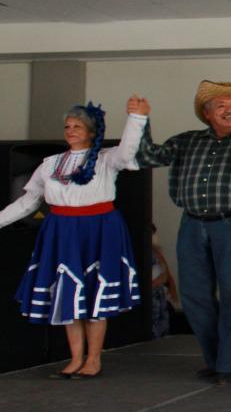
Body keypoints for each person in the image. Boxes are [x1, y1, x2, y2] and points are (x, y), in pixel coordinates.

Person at [0, 96, 149, 378]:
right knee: (68, 295)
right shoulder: (50, 164)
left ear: (92, 132)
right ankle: (75, 358)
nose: (70, 131)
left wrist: (136, 118)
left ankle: (93, 359)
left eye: (77, 126)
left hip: (98, 229)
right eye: (67, 126)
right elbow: (27, 203)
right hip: (62, 230)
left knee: (94, 295)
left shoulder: (106, 158)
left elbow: (129, 152)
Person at [135, 80, 231, 384]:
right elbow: (146, 157)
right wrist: (140, 120)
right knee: (194, 297)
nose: (230, 110)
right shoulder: (187, 141)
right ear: (207, 113)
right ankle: (216, 359)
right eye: (222, 105)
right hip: (192, 224)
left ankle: (229, 365)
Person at [150, 223, 178, 339]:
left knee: (163, 321)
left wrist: (171, 286)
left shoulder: (156, 252)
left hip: (160, 293)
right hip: (151, 295)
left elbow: (166, 272)